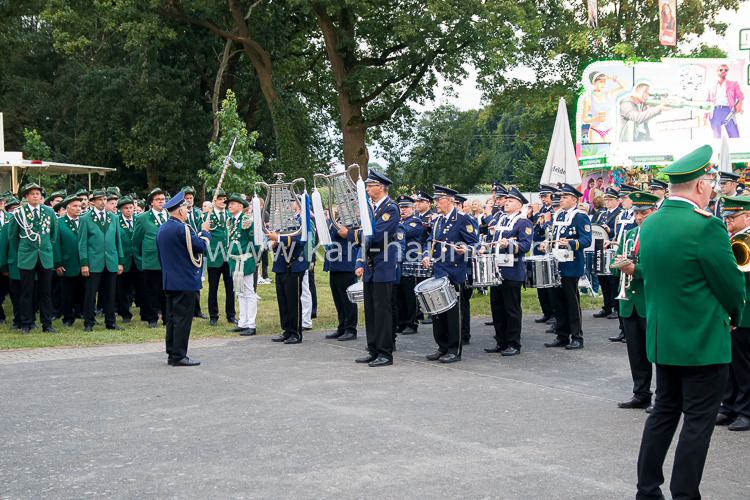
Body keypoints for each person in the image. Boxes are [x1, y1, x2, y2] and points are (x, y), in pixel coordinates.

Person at [635, 144, 745, 500]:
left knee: (663, 413)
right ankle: (685, 495)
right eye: (710, 182)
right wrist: (736, 315)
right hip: (702, 342)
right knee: (697, 422)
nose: (712, 188)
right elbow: (730, 284)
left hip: (664, 339)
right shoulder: (706, 227)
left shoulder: (650, 225)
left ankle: (647, 490)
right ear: (699, 186)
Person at [340, 169, 399, 367]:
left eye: (370, 185)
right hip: (372, 266)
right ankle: (373, 348)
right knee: (371, 310)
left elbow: (377, 237)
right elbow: (366, 238)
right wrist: (361, 261)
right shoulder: (373, 209)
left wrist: (350, 234)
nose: (367, 189)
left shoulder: (390, 208)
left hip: (383, 266)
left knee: (382, 311)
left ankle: (385, 352)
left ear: (380, 187)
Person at [422, 185, 478, 364]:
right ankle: (442, 346)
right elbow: (431, 240)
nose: (436, 203)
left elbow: (475, 243)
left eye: (439, 199)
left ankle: (454, 349)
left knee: (454, 313)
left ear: (450, 200)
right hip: (439, 270)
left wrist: (466, 249)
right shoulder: (438, 220)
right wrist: (426, 255)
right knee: (438, 311)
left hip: (455, 271)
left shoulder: (462, 219)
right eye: (436, 199)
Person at [613, 192, 659, 410]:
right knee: (636, 352)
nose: (639, 217)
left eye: (644, 213)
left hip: (650, 300)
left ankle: (663, 396)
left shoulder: (661, 235)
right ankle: (640, 393)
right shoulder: (630, 234)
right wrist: (618, 264)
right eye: (637, 213)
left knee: (657, 352)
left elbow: (662, 266)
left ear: (654, 212)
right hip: (629, 301)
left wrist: (636, 270)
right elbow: (619, 257)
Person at [157, 191, 212, 367]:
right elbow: (201, 247)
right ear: (180, 211)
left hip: (170, 280)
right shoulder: (183, 229)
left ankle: (172, 352)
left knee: (172, 318)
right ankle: (179, 355)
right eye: (186, 209)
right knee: (182, 320)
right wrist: (205, 231)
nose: (188, 212)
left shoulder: (163, 228)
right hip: (185, 281)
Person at [714, 196, 750, 432]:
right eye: (726, 216)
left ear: (747, 216)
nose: (728, 220)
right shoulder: (729, 238)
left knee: (744, 364)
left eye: (733, 217)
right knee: (728, 361)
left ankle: (746, 411)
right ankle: (728, 405)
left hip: (746, 310)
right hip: (727, 309)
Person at [541, 184, 592, 350]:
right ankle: (562, 336)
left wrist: (571, 242)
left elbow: (587, 240)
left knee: (571, 302)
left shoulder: (580, 217)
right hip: (557, 264)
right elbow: (554, 237)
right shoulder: (559, 215)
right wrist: (546, 243)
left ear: (574, 200)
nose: (560, 200)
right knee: (559, 302)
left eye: (564, 197)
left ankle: (577, 337)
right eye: (561, 197)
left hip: (571, 264)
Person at [484, 187, 532, 356]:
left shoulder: (523, 222)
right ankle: (501, 341)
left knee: (511, 309)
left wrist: (509, 245)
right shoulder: (502, 220)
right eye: (506, 200)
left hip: (512, 271)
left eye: (510, 201)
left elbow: (525, 245)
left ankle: (513, 343)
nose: (506, 203)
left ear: (519, 205)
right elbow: (493, 240)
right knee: (497, 308)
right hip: (496, 269)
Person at [8, 183, 59, 334]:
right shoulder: (19, 213)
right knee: (26, 292)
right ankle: (26, 323)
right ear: (26, 197)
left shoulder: (49, 212)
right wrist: (24, 250)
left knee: (45, 292)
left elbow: (53, 235)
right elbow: (13, 238)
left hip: (44, 255)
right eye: (32, 194)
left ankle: (47, 324)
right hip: (27, 256)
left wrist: (45, 247)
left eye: (38, 193)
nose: (36, 196)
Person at [78, 189, 124, 332]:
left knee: (110, 294)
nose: (103, 202)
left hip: (111, 260)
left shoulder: (113, 217)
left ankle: (111, 322)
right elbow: (82, 243)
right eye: (99, 199)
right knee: (91, 294)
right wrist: (84, 263)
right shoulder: (85, 218)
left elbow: (118, 241)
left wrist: (120, 261)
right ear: (93, 202)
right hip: (93, 262)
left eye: (104, 199)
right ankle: (89, 322)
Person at [268, 198, 310, 345]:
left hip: (293, 264)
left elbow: (300, 240)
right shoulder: (281, 222)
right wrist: (273, 242)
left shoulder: (299, 222)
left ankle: (295, 332)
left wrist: (278, 238)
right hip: (280, 264)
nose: (282, 207)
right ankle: (287, 329)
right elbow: (273, 240)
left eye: (286, 204)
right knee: (283, 300)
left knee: (293, 301)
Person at [133, 188, 168, 328]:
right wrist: (140, 260)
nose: (161, 202)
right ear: (151, 203)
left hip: (167, 261)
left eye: (163, 199)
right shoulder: (143, 218)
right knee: (151, 291)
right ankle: (152, 318)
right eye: (158, 200)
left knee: (167, 291)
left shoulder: (170, 215)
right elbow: (136, 241)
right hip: (150, 261)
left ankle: (167, 317)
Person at [226, 193, 260, 336]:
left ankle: (251, 324)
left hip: (245, 260)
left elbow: (255, 242)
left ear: (240, 206)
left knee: (249, 291)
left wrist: (255, 258)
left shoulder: (246, 220)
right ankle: (242, 322)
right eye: (229, 204)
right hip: (235, 260)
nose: (229, 205)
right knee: (240, 292)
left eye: (232, 203)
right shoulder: (231, 221)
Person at [323, 211, 358, 342]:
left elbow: (344, 233)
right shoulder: (336, 217)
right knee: (338, 298)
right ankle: (342, 326)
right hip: (335, 263)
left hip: (346, 263)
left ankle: (350, 329)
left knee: (348, 300)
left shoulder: (352, 217)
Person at [394, 195, 426, 335]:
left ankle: (412, 322)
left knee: (410, 294)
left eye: (406, 207)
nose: (403, 210)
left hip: (411, 262)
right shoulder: (401, 222)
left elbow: (403, 232)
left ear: (413, 208)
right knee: (399, 294)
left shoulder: (415, 222)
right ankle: (401, 322)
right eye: (401, 207)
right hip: (400, 261)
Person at [205, 189, 236, 326]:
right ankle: (213, 315)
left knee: (231, 287)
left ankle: (231, 315)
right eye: (220, 199)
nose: (223, 201)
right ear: (214, 201)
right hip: (214, 255)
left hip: (228, 256)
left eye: (224, 199)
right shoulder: (208, 216)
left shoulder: (230, 215)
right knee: (213, 288)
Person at [593, 188, 622, 320]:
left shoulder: (619, 214)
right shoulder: (601, 214)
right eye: (606, 199)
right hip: (600, 248)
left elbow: (619, 233)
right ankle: (607, 306)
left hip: (611, 248)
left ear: (617, 200)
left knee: (612, 280)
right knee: (602, 279)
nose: (607, 202)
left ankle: (616, 307)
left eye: (610, 199)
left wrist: (609, 232)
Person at [181, 186, 208, 319]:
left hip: (197, 249)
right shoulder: (181, 213)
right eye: (186, 198)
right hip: (185, 249)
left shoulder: (198, 212)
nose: (189, 200)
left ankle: (197, 309)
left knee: (197, 279)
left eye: (191, 198)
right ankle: (187, 310)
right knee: (186, 280)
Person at [532, 184, 557, 324]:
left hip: (548, 249)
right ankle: (546, 311)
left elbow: (549, 231)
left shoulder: (554, 211)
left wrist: (544, 222)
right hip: (538, 248)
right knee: (540, 282)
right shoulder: (542, 210)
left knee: (549, 283)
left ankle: (553, 313)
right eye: (541, 196)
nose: (543, 199)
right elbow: (535, 229)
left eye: (545, 196)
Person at [582, 72, 625, 143]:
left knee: (610, 153)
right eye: (600, 82)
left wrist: (611, 77)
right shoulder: (588, 98)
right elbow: (584, 119)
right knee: (597, 153)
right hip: (595, 131)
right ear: (594, 83)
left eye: (604, 82)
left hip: (609, 130)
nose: (603, 84)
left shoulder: (609, 94)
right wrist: (596, 118)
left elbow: (623, 87)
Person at [0, 197, 22, 329]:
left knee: (16, 292)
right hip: (5, 259)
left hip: (11, 261)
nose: (1, 203)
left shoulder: (10, 217)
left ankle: (20, 317)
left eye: (2, 201)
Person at [116, 196, 139, 323]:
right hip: (123, 260)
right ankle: (125, 313)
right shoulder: (116, 221)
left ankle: (146, 312)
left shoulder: (138, 220)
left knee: (141, 287)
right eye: (126, 208)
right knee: (122, 289)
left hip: (137, 259)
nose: (129, 210)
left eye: (131, 207)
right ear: (121, 210)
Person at [705, 64, 744, 139]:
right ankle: (717, 150)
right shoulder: (712, 86)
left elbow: (740, 96)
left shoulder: (733, 84)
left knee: (734, 135)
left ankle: (735, 149)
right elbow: (708, 102)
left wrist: (739, 104)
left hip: (728, 111)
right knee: (716, 137)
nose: (723, 71)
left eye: (726, 70)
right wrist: (704, 117)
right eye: (721, 70)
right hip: (715, 112)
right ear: (717, 72)